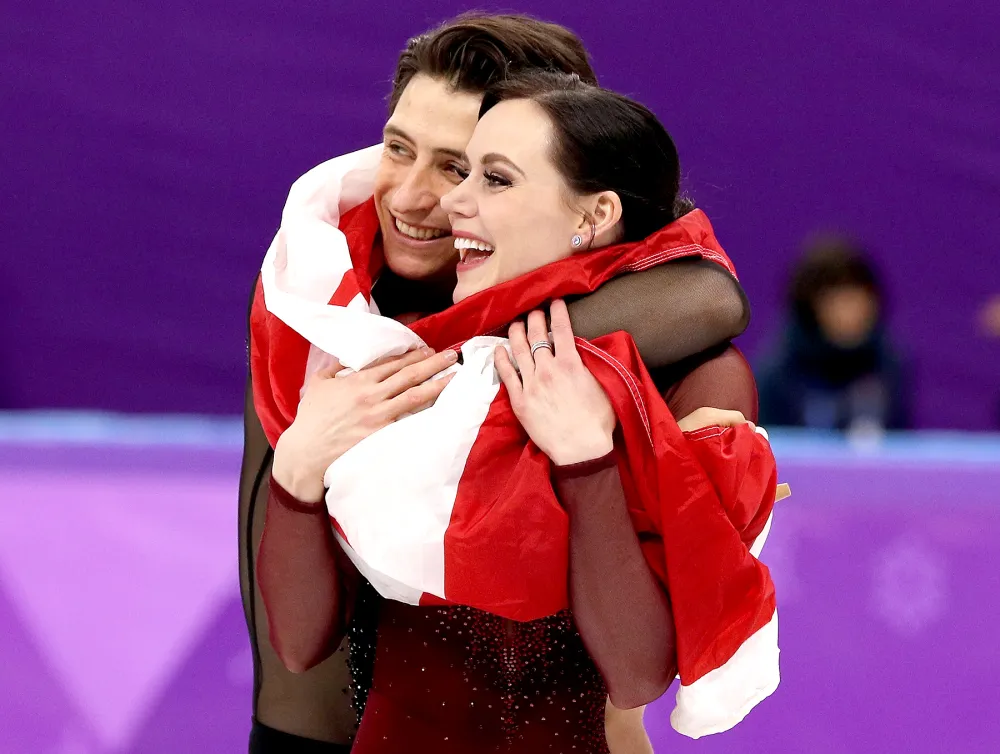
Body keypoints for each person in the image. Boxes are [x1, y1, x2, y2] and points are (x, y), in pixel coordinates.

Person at [239, 13, 752, 754]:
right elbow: (294, 644)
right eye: (396, 147)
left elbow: (708, 295)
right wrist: (301, 465)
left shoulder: (649, 336)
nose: (422, 198)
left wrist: (572, 446)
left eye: (467, 168)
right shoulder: (316, 309)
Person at [757, 236, 909, 433]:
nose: (851, 313)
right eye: (837, 300)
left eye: (858, 298)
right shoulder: (776, 375)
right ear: (810, 308)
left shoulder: (889, 366)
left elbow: (897, 447)